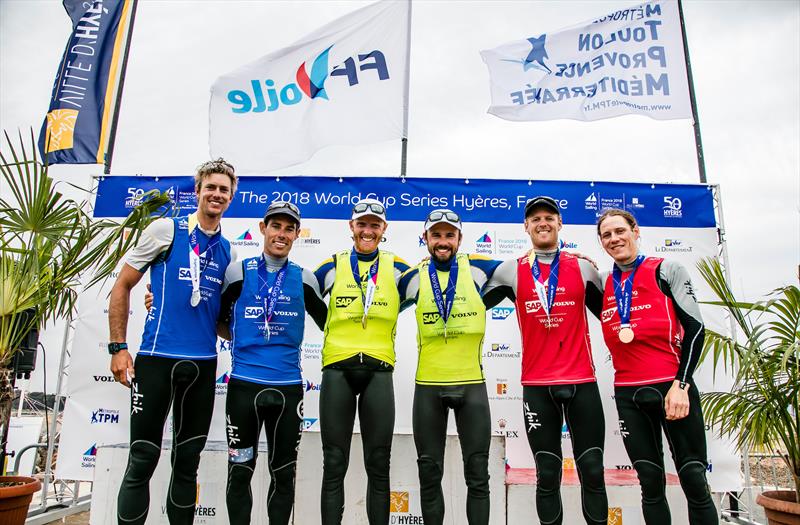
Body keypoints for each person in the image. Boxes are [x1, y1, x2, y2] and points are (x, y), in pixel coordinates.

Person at [108, 159, 237, 525]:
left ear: (230, 198)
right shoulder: (166, 230)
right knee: (143, 459)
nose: (216, 194)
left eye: (223, 190)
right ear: (197, 191)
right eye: (210, 187)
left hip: (202, 365)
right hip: (156, 360)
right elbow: (123, 285)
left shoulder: (229, 251)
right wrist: (118, 347)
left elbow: (220, 320)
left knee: (187, 464)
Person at [482, 196, 608, 525]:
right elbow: (471, 301)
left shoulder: (582, 266)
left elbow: (610, 315)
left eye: (549, 217)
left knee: (593, 471)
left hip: (582, 382)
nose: (542, 222)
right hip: (538, 386)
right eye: (535, 218)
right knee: (548, 472)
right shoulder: (512, 270)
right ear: (525, 226)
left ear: (559, 223)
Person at [596, 208, 717, 525]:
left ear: (635, 231)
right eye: (606, 235)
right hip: (628, 395)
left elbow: (695, 329)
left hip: (672, 389)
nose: (614, 238)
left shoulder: (667, 269)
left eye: (620, 231)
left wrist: (682, 384)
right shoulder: (605, 283)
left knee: (693, 478)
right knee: (649, 483)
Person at [215, 201, 327, 524]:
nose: (281, 234)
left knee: (283, 474)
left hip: (287, 390)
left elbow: (331, 324)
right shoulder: (238, 272)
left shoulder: (304, 278)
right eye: (275, 226)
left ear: (296, 234)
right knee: (239, 471)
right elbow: (214, 319)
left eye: (289, 228)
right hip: (243, 388)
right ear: (263, 229)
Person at [396, 209, 500, 525]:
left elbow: (529, 267)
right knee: (429, 473)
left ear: (459, 239)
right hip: (428, 385)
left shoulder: (481, 269)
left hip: (472, 385)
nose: (443, 242)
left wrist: (570, 254)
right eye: (436, 235)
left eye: (449, 235)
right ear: (426, 239)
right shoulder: (412, 277)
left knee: (478, 474)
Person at [313, 198, 411, 524]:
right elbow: (298, 291)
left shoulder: (397, 267)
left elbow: (435, 284)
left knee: (379, 464)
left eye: (374, 225)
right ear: (351, 227)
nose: (368, 230)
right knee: (334, 463)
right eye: (362, 224)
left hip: (379, 370)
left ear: (384, 230)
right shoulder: (333, 264)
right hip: (337, 369)